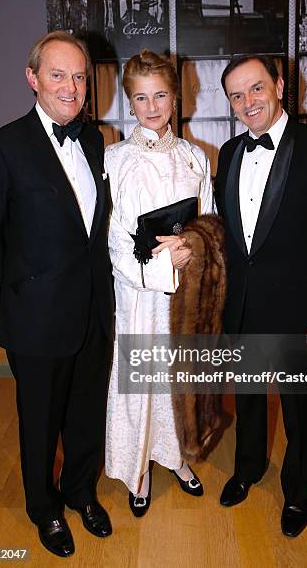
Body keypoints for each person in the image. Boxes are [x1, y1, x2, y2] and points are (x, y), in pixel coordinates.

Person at [0, 31, 114, 558]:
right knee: (39, 421)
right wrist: (28, 289)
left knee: (85, 415)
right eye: (58, 74)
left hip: (93, 310)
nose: (71, 87)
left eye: (79, 76)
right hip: (37, 317)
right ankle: (44, 509)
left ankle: (81, 492)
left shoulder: (95, 140)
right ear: (33, 79)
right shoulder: (2, 146)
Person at [214, 55, 307, 537]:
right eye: (236, 95)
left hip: (300, 310)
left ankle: (296, 493)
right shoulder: (229, 153)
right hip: (244, 305)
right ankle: (248, 468)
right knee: (249, 399)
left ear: (278, 86)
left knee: (299, 408)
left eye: (256, 89)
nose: (248, 102)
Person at [104, 49, 213, 517]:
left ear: (175, 98)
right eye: (142, 98)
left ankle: (178, 456)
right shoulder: (116, 159)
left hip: (184, 293)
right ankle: (139, 468)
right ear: (130, 103)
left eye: (161, 96)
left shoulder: (194, 158)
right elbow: (111, 239)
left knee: (177, 380)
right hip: (138, 295)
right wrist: (154, 272)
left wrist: (195, 246)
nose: (152, 107)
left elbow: (211, 221)